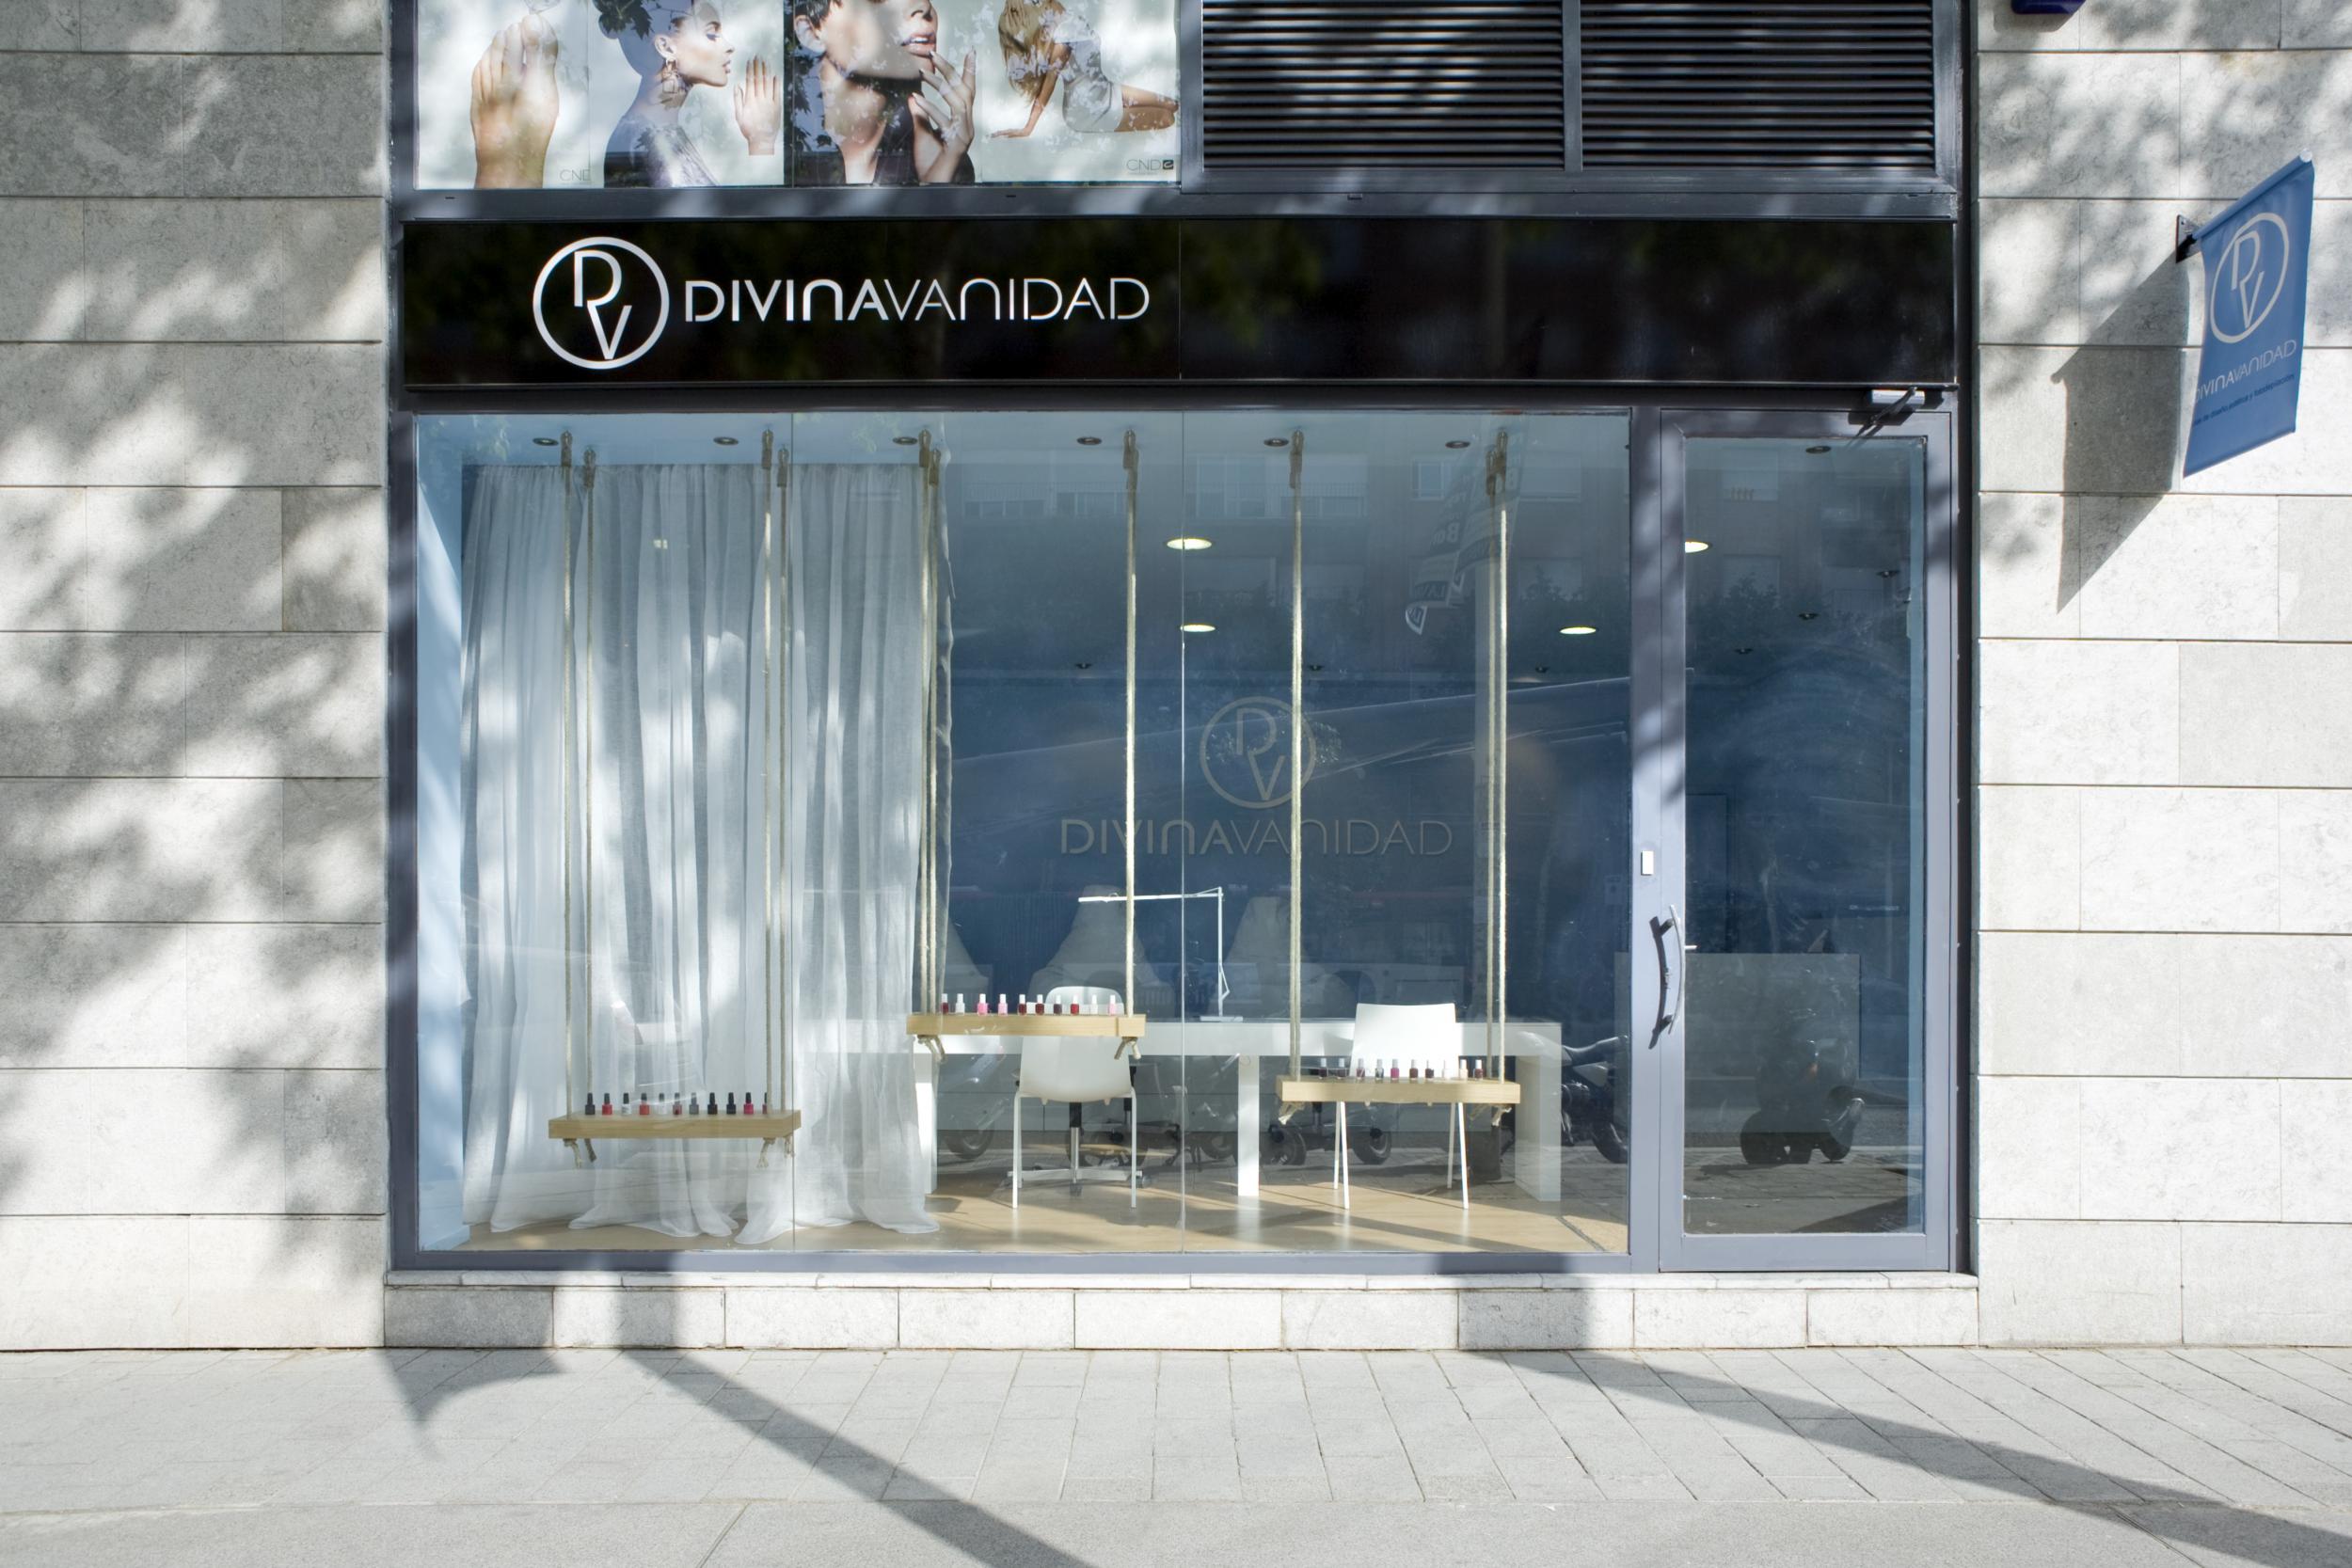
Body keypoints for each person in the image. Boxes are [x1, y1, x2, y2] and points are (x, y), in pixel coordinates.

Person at [787, 0, 977, 185]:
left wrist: (938, 180)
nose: (924, 6)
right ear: (811, 30)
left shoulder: (939, 157)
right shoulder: (786, 144)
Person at [594, 0, 781, 187]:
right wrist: (761, 143)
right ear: (666, 47)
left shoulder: (660, 132)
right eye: (711, 35)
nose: (729, 46)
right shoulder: (644, 140)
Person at [992, 0, 1174, 139]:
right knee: (1168, 118)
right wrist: (1028, 128)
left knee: (1173, 105)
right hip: (1088, 111)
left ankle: (1123, 108)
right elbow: (1049, 84)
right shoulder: (1062, 40)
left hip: (1105, 90)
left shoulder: (1069, 22)